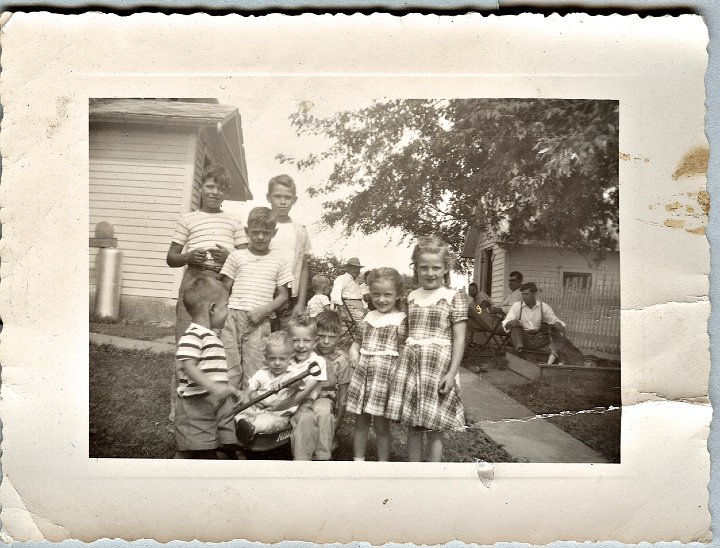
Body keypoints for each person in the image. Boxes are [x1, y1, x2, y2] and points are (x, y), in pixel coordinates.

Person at [166, 165, 246, 423]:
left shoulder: (234, 221)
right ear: (201, 187)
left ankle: (213, 404)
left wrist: (230, 257)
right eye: (210, 186)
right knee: (186, 342)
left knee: (217, 344)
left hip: (221, 282)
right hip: (193, 279)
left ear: (227, 192)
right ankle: (178, 409)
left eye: (221, 188)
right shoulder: (188, 219)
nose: (215, 192)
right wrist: (188, 256)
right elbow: (171, 257)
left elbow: (246, 258)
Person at [385, 235, 467, 462]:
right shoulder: (411, 297)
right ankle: (414, 471)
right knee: (414, 424)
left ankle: (433, 472)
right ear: (416, 268)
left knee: (434, 426)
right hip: (413, 367)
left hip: (438, 368)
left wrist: (451, 373)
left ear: (446, 268)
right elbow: (406, 336)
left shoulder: (452, 297)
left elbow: (459, 338)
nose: (430, 273)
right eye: (424, 268)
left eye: (436, 268)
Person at [219, 207, 293, 390]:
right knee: (229, 367)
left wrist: (264, 310)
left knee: (254, 371)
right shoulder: (236, 256)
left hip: (259, 323)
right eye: (255, 232)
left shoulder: (279, 260)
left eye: (266, 233)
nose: (260, 237)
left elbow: (284, 296)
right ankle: (226, 412)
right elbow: (223, 289)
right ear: (246, 232)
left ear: (274, 233)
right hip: (232, 318)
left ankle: (247, 413)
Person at [173, 276, 245, 459]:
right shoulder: (193, 336)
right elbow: (189, 366)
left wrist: (229, 391)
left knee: (223, 441)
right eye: (226, 306)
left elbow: (214, 370)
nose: (228, 312)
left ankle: (225, 454)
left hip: (216, 404)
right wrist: (215, 388)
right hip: (196, 405)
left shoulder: (210, 336)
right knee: (196, 449)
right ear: (213, 309)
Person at [347, 268, 408, 461]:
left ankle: (383, 464)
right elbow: (357, 342)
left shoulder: (401, 320)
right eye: (376, 294)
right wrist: (353, 352)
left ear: (397, 294)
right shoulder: (368, 318)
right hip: (364, 375)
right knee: (360, 421)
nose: (381, 299)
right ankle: (358, 461)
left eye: (387, 295)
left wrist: (398, 377)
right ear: (370, 294)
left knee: (382, 426)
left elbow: (403, 351)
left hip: (384, 379)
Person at [233, 331, 299, 443]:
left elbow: (299, 384)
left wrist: (286, 382)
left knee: (267, 422)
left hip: (278, 415)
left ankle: (252, 429)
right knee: (240, 412)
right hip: (257, 410)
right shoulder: (262, 373)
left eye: (282, 359)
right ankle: (243, 423)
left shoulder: (293, 374)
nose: (277, 363)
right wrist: (247, 397)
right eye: (272, 358)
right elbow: (248, 391)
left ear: (290, 358)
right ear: (266, 357)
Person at [266, 175, 312, 320]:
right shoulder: (261, 226)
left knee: (285, 339)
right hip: (263, 289)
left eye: (288, 197)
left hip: (290, 294)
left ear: (295, 200)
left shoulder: (300, 230)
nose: (283, 202)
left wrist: (300, 303)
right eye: (277, 196)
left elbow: (304, 268)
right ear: (268, 197)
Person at [285, 314, 329, 460]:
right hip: (283, 401)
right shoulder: (286, 360)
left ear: (315, 342)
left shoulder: (317, 362)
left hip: (302, 403)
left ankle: (302, 462)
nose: (301, 345)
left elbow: (304, 392)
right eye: (295, 340)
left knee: (305, 420)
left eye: (307, 341)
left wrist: (282, 405)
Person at [313, 310, 353, 460]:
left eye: (331, 337)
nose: (326, 341)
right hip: (306, 396)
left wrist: (338, 422)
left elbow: (344, 394)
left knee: (321, 410)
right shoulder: (308, 354)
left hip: (327, 400)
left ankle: (322, 454)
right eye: (321, 335)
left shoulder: (341, 360)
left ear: (339, 336)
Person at [502, 282, 567, 356]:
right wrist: (510, 322)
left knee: (552, 329)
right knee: (515, 327)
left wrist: (557, 324)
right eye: (522, 294)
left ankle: (556, 352)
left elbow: (554, 320)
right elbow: (505, 322)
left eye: (526, 294)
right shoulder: (517, 306)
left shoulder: (543, 307)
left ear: (534, 294)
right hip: (522, 339)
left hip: (538, 338)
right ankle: (520, 352)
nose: (524, 297)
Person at [330, 258, 366, 323]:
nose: (357, 270)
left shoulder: (355, 281)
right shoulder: (342, 278)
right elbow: (335, 294)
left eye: (358, 268)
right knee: (365, 323)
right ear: (348, 268)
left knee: (373, 318)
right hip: (350, 308)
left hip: (359, 307)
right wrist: (342, 310)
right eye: (354, 268)